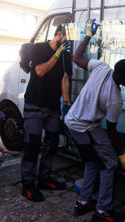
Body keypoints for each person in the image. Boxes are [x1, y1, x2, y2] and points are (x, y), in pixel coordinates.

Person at [64, 19, 125, 222]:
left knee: (92, 161)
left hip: (71, 122)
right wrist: (120, 153)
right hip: (84, 126)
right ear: (122, 78)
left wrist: (87, 35)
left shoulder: (102, 67)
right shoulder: (115, 99)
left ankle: (84, 202)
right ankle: (103, 211)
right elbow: (111, 130)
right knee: (109, 164)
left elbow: (76, 57)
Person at [21, 24, 72, 202]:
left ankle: (44, 179)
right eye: (67, 38)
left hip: (52, 107)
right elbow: (40, 71)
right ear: (59, 34)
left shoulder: (66, 53)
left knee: (52, 142)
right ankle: (28, 185)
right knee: (33, 144)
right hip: (34, 104)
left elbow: (65, 78)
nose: (69, 42)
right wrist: (57, 54)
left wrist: (66, 101)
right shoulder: (39, 48)